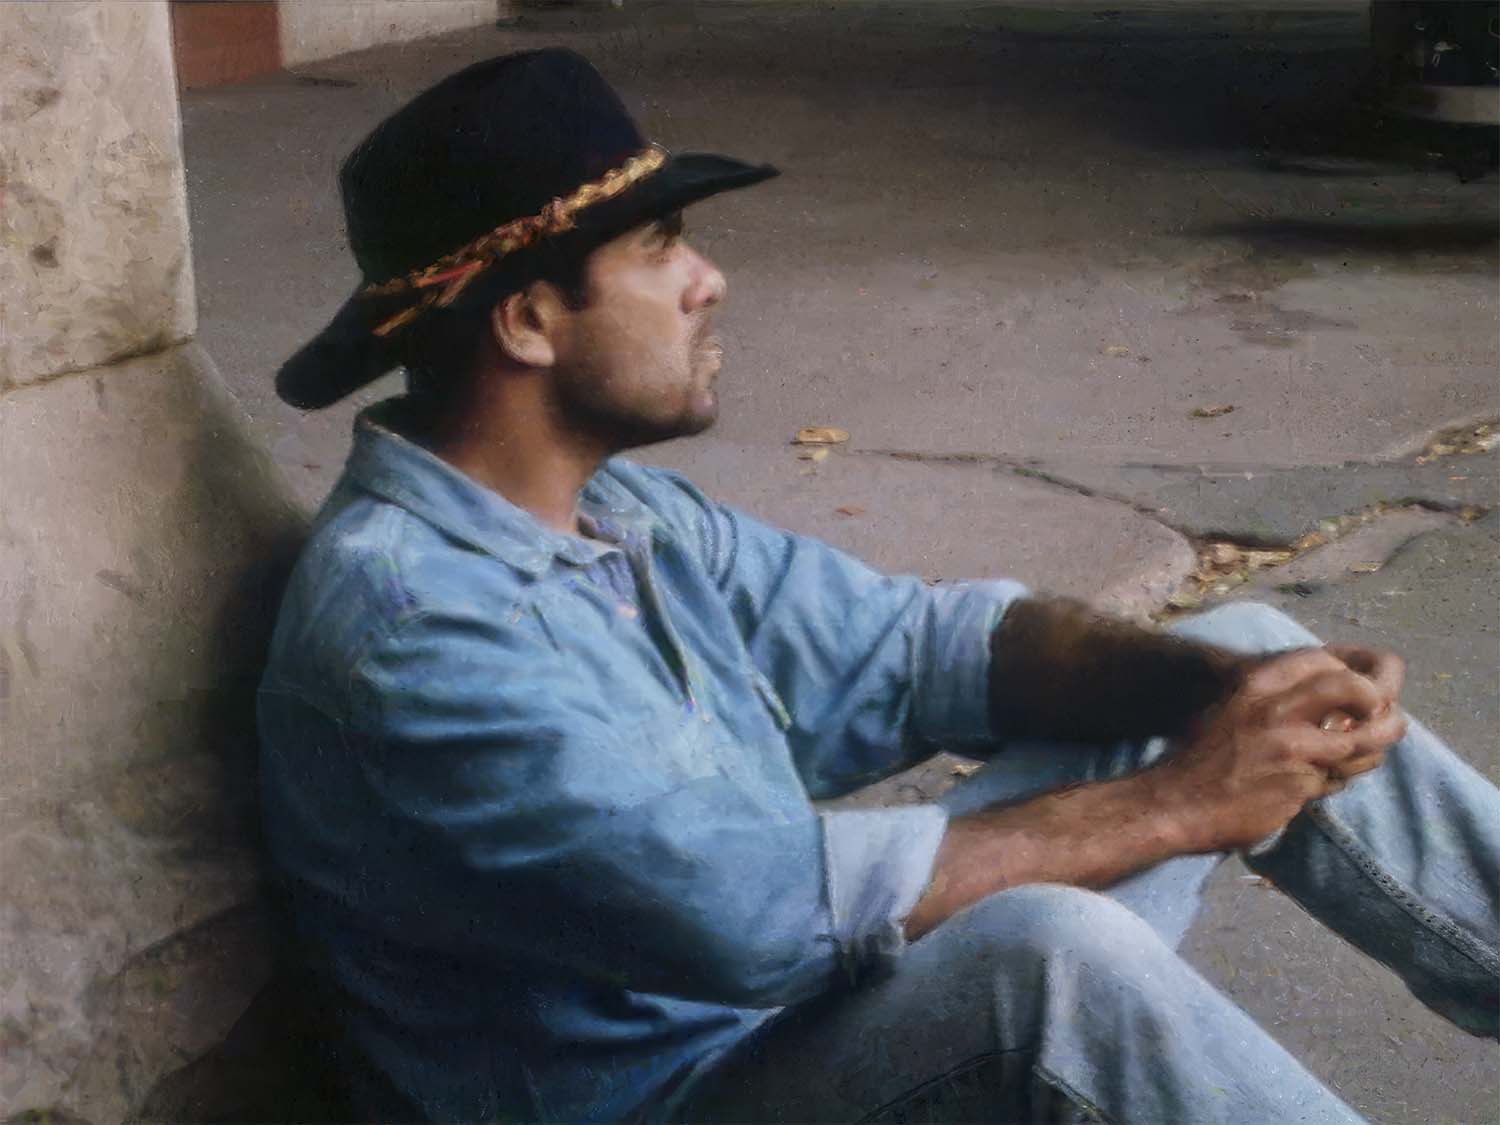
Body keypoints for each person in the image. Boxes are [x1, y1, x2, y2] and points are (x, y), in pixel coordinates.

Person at [259, 49, 1499, 1124]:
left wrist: (1228, 689)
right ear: (530, 322)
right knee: (1042, 967)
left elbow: (921, 651)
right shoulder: (415, 633)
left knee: (1258, 654)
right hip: (676, 1095)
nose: (709, 280)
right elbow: (753, 916)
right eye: (662, 248)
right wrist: (1185, 801)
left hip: (784, 1025)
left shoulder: (621, 515)